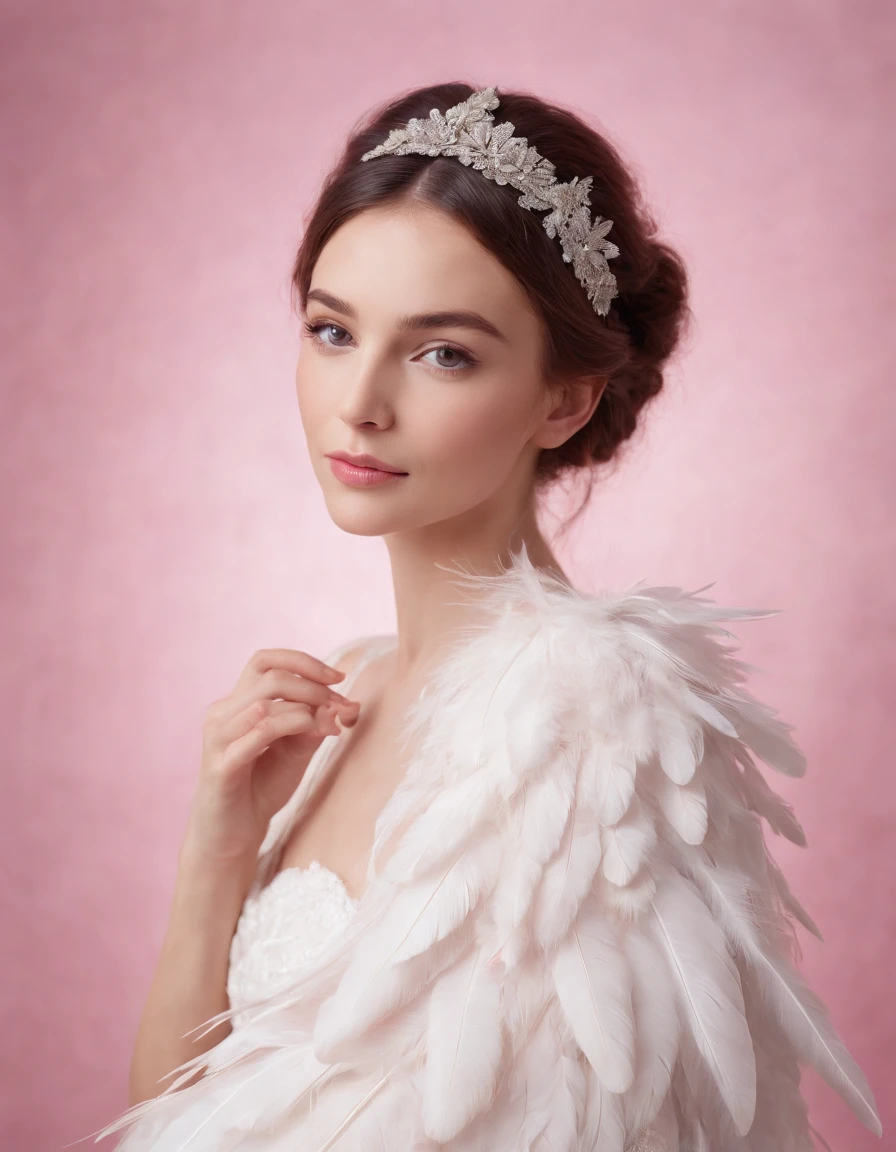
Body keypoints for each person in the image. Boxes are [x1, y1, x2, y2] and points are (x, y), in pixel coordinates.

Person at [89, 83, 882, 1151]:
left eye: (441, 352)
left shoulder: (588, 716)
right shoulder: (351, 684)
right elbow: (173, 1116)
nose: (359, 400)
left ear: (563, 399)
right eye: (332, 331)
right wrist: (217, 850)